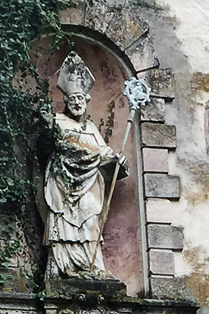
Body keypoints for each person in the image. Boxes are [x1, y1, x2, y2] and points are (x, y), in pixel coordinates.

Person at [43, 52, 128, 281]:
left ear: (86, 100)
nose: (77, 103)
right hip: (63, 185)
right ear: (67, 101)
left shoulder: (90, 127)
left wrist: (117, 160)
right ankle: (63, 267)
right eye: (73, 99)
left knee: (91, 218)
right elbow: (58, 144)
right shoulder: (57, 122)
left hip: (88, 185)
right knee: (62, 222)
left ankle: (94, 266)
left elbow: (103, 152)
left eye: (81, 98)